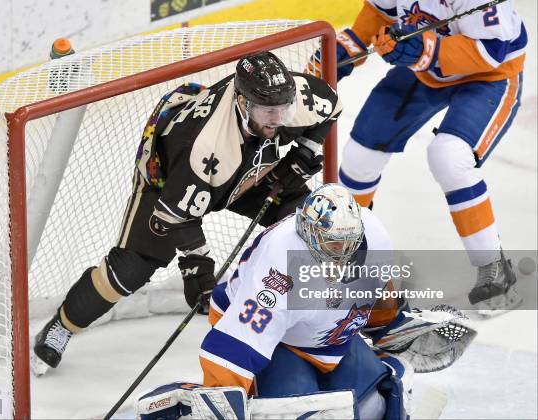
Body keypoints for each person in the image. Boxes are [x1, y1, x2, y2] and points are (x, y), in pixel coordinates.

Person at [32, 51, 342, 371]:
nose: (278, 119)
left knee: (314, 226)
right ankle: (63, 325)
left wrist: (305, 151)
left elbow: (332, 106)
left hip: (248, 169)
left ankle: (332, 319)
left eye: (284, 109)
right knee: (131, 269)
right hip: (169, 180)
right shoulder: (203, 144)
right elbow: (178, 215)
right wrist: (197, 264)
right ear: (241, 101)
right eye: (268, 111)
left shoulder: (292, 100)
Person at [135, 184, 475, 419]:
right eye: (331, 244)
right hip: (276, 340)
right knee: (302, 413)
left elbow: (373, 291)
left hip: (327, 337)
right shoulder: (281, 266)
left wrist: (391, 325)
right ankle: (186, 398)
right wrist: (220, 401)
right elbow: (237, 343)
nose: (341, 253)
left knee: (380, 400)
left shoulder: (375, 235)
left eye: (347, 243)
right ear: (308, 234)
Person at [308, 0, 526, 310]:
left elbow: (492, 50)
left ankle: (493, 266)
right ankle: (349, 250)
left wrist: (429, 50)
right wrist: (348, 46)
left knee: (449, 156)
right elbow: (378, 13)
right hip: (424, 71)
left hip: (489, 76)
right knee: (360, 154)